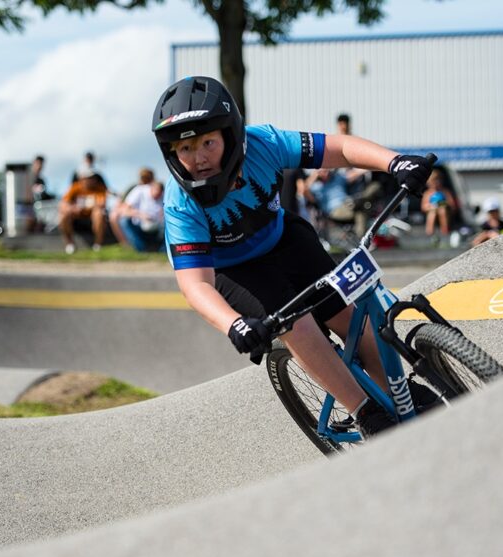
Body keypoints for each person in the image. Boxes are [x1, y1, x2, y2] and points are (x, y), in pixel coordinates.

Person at [153, 76, 437, 440]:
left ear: (230, 134)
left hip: (284, 240)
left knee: (347, 318)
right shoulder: (180, 203)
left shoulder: (263, 143)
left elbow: (342, 149)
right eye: (186, 148)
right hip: (234, 271)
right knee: (296, 324)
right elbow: (195, 285)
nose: (199, 157)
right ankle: (365, 412)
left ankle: (400, 395)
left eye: (208, 142)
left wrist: (394, 162)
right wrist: (234, 325)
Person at [111, 167, 165, 252]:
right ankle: (134, 247)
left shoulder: (161, 191)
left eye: (147, 178)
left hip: (157, 227)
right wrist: (141, 215)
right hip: (139, 224)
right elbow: (123, 208)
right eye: (143, 177)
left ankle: (162, 249)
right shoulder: (137, 189)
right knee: (121, 219)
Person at [58, 173, 108, 253]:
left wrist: (86, 208)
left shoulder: (100, 188)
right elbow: (63, 204)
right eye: (88, 178)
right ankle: (70, 244)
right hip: (76, 218)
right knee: (63, 215)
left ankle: (98, 244)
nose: (91, 180)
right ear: (82, 179)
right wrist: (72, 208)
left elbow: (101, 204)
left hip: (92, 218)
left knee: (99, 213)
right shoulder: (75, 187)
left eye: (92, 178)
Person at [420, 170, 456, 244]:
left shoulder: (445, 192)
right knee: (432, 213)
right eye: (433, 182)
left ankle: (445, 231)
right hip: (432, 211)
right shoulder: (428, 193)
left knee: (442, 210)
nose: (435, 184)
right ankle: (430, 233)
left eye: (437, 181)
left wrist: (443, 204)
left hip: (445, 211)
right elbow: (423, 207)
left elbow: (452, 205)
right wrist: (431, 206)